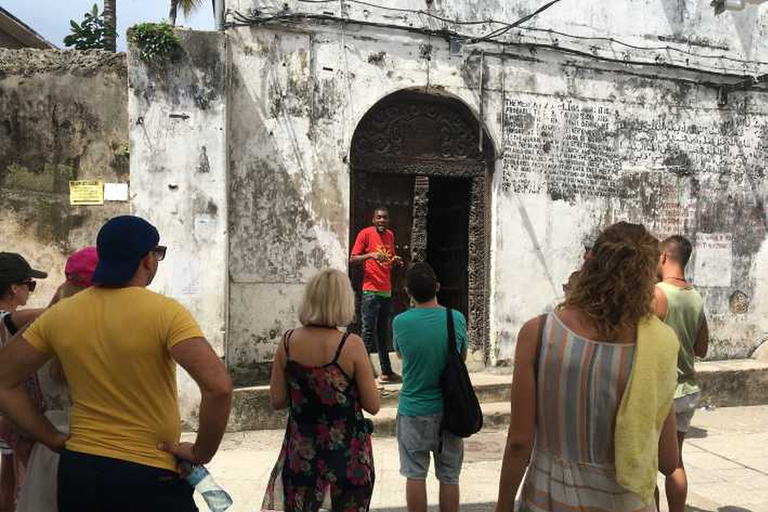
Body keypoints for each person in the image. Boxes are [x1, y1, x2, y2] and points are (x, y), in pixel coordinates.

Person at [0, 215, 233, 512]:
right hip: (148, 471)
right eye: (157, 254)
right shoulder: (166, 313)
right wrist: (202, 452)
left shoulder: (60, 315)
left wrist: (51, 437)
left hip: (80, 470)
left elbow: (3, 380)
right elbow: (219, 387)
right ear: (148, 260)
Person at [495, 222, 680, 512]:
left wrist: (503, 506)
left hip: (549, 498)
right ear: (646, 279)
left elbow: (519, 441)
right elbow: (669, 460)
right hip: (625, 501)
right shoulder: (659, 346)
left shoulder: (539, 333)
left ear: (590, 262)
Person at [263, 269, 380, 512]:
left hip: (302, 455)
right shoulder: (352, 345)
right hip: (348, 458)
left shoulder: (287, 343)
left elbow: (277, 400)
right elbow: (373, 405)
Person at [16, 246, 98, 512]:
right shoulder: (105, 333)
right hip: (101, 449)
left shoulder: (39, 330)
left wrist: (47, 435)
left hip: (51, 449)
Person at [392, 262, 467, 512]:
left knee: (414, 474)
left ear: (407, 291)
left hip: (413, 408)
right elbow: (461, 358)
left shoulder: (400, 322)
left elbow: (401, 355)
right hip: (451, 409)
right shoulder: (455, 318)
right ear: (437, 287)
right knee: (449, 476)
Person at [654, 235, 708, 512]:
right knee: (674, 462)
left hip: (662, 393)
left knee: (649, 463)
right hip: (688, 390)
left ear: (663, 257)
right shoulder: (696, 297)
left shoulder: (656, 293)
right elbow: (701, 348)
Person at [0, 252, 47, 512]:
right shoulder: (8, 320)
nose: (30, 291)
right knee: (22, 484)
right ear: (14, 287)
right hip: (14, 413)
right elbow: (53, 313)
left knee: (9, 480)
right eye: (30, 284)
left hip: (8, 413)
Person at [350, 206, 403, 383]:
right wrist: (371, 255)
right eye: (378, 218)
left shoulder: (390, 235)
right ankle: (362, 373)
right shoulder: (365, 234)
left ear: (388, 220)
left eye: (385, 218)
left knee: (383, 333)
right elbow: (353, 258)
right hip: (370, 291)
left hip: (385, 291)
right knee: (367, 333)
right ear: (373, 220)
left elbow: (389, 258)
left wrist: (395, 260)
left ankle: (386, 372)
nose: (382, 220)